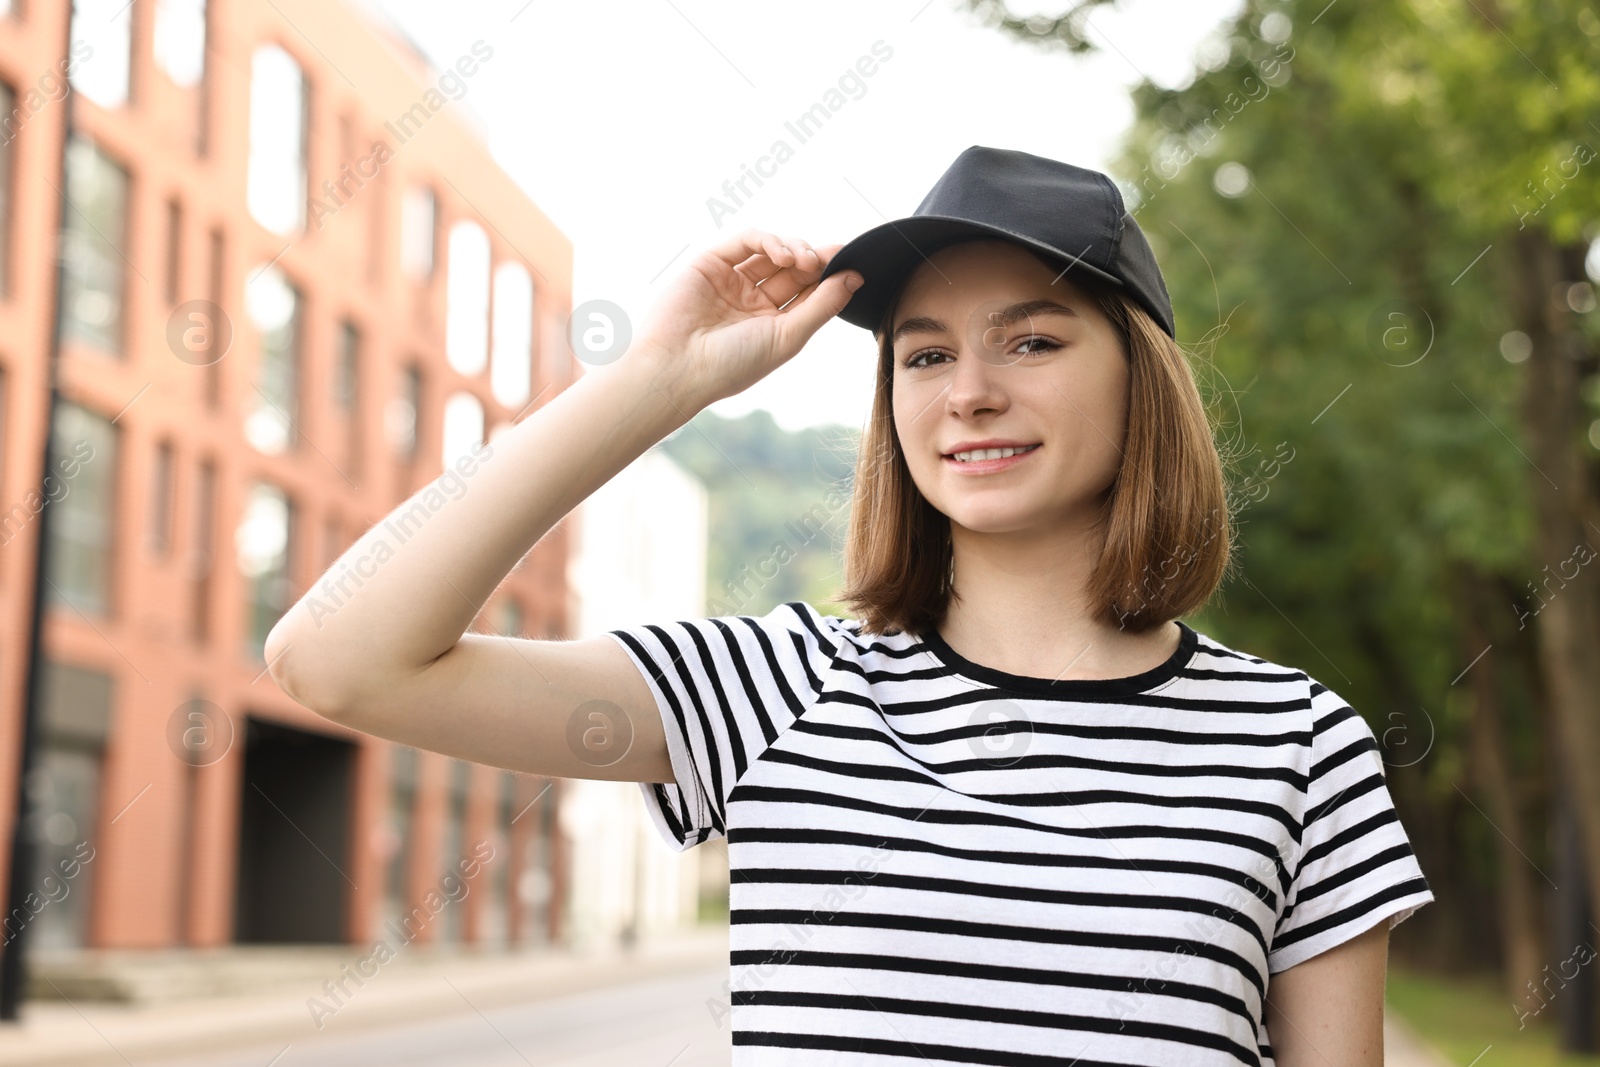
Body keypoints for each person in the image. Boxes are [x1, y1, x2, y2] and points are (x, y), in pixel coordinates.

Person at [266, 146, 1433, 1066]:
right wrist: (653, 382)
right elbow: (340, 658)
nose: (970, 392)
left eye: (1030, 339)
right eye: (923, 357)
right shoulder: (778, 688)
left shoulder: (1296, 743)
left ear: (1142, 378)